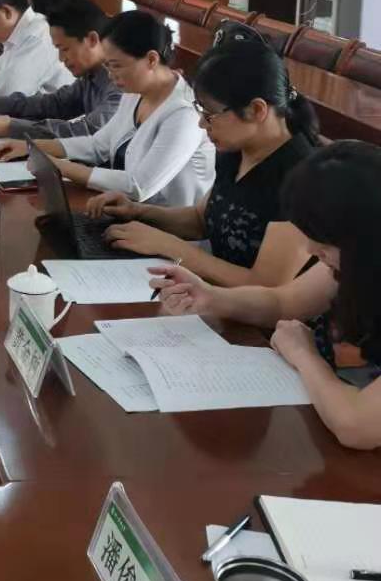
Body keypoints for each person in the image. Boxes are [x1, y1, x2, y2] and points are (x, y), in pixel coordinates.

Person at [154, 142, 381, 450]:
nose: (311, 250)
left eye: (323, 240)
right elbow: (284, 303)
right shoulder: (356, 261)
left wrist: (304, 355)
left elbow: (356, 426)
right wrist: (211, 297)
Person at [98, 34, 318, 284]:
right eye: (200, 110)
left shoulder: (303, 179)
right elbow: (200, 220)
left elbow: (266, 285)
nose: (202, 124)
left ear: (257, 110)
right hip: (213, 296)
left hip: (252, 308)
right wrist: (137, 211)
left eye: (210, 114)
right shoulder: (236, 150)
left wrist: (170, 247)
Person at [12, 10, 214, 209]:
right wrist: (33, 147)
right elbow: (98, 145)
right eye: (107, 66)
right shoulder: (135, 92)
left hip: (164, 224)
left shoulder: (184, 114)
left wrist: (57, 166)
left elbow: (138, 186)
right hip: (128, 211)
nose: (110, 75)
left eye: (116, 66)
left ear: (151, 59)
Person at [0, 0, 121, 141]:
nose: (61, 58)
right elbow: (53, 104)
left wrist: (11, 127)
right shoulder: (91, 76)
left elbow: (87, 131)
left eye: (65, 49)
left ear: (92, 39)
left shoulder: (120, 84)